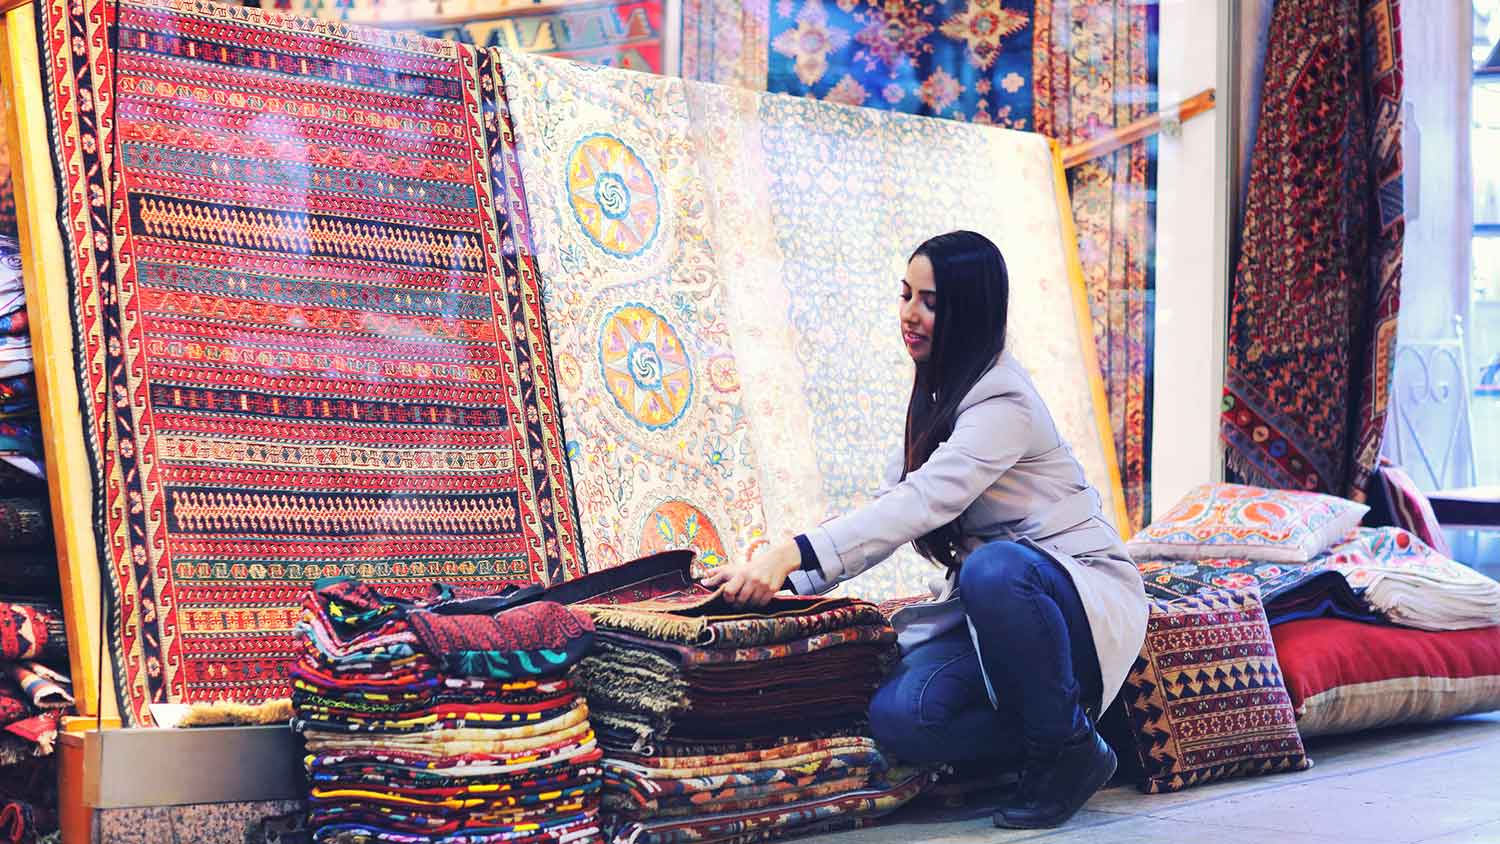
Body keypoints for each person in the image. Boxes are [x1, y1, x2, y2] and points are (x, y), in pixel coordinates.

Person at [702, 230, 1148, 830]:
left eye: (931, 301)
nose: (910, 314)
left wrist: (791, 554)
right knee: (903, 719)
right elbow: (892, 504)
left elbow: (922, 502)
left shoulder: (1004, 399)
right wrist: (786, 573)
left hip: (1076, 597)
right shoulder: (940, 392)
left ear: (971, 310)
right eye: (906, 294)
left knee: (996, 568)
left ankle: (1065, 748)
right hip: (999, 612)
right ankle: (1062, 736)